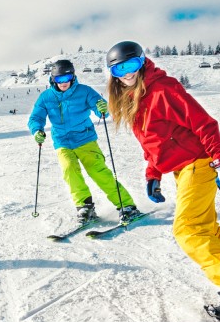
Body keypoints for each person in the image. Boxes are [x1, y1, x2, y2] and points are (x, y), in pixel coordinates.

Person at [104, 41, 220, 320]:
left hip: (199, 164)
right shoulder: (133, 99)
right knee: (207, 230)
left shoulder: (163, 89)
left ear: (142, 62)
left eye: (132, 65)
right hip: (183, 169)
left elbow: (203, 124)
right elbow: (153, 143)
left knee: (188, 230)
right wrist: (153, 174)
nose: (127, 74)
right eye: (120, 69)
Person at [28, 57, 138, 224]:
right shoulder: (46, 97)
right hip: (62, 141)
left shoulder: (84, 91)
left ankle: (126, 205)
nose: (63, 83)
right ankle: (84, 206)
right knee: (69, 170)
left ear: (73, 77)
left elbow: (101, 108)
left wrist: (102, 108)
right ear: (53, 79)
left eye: (67, 79)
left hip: (85, 138)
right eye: (59, 79)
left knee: (98, 171)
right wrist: (37, 130)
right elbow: (36, 117)